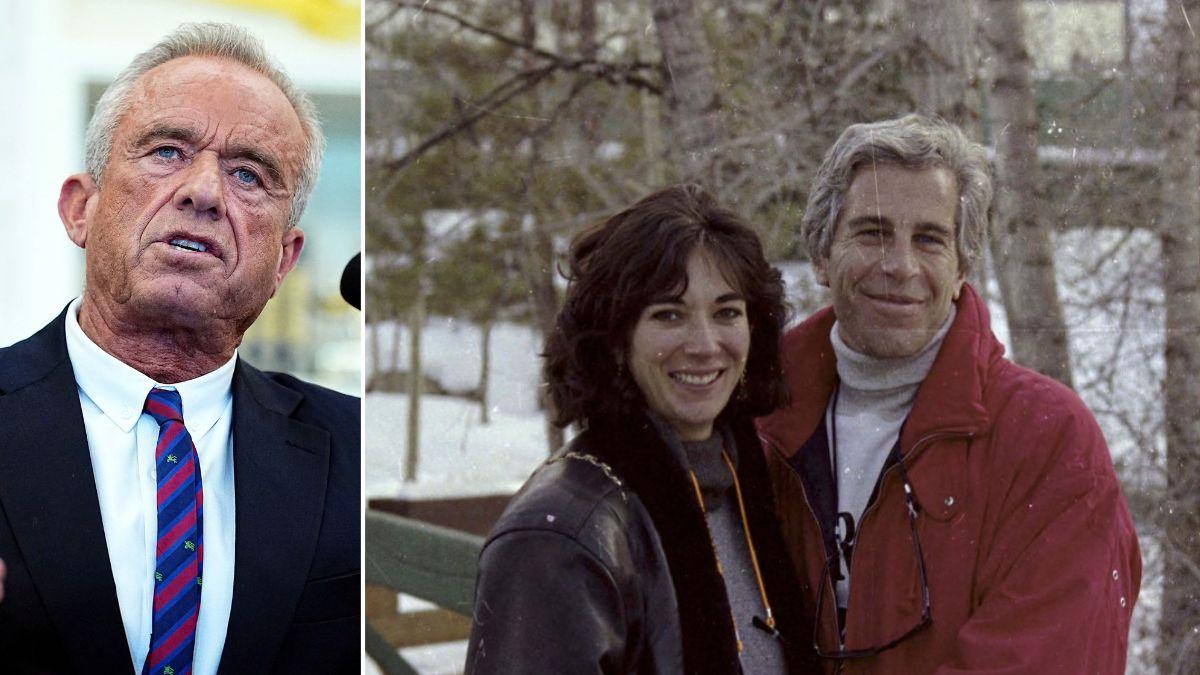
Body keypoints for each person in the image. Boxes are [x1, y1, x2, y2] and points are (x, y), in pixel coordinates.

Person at [0, 23, 359, 674]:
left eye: (249, 173)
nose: (203, 191)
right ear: (81, 207)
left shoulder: (357, 452)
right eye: (167, 151)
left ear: (285, 261)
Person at [757, 114, 1142, 673]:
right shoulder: (758, 423)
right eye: (872, 233)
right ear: (821, 254)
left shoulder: (1048, 439)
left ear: (961, 268)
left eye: (930, 239)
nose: (900, 266)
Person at [465, 185, 814, 673]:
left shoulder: (748, 484)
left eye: (727, 312)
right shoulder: (560, 537)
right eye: (669, 314)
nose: (705, 344)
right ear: (615, 336)